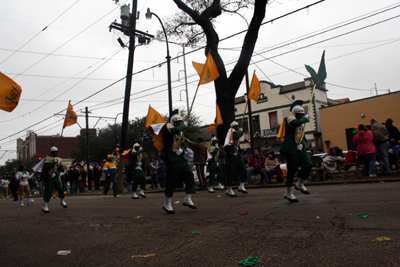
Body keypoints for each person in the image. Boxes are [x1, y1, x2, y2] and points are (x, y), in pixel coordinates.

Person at [160, 113, 196, 214]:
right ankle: (167, 203)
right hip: (172, 158)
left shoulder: (181, 132)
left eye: (180, 122)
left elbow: (181, 144)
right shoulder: (169, 128)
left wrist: (182, 150)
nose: (179, 123)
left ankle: (188, 198)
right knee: (171, 179)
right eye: (177, 122)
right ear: (173, 122)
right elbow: (173, 131)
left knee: (189, 175)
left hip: (180, 157)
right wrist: (183, 126)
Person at [278, 100, 313, 203]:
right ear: (295, 113)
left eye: (302, 114)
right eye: (299, 114)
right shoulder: (289, 119)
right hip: (291, 148)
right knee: (291, 170)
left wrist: (303, 144)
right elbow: (294, 123)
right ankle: (288, 192)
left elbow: (303, 136)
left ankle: (300, 183)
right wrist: (303, 119)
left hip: (300, 148)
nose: (301, 116)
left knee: (308, 164)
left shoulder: (300, 123)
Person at [224, 121, 248, 197]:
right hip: (231, 156)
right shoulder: (232, 132)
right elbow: (236, 136)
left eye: (238, 126)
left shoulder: (234, 132)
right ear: (233, 127)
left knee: (243, 169)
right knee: (231, 172)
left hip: (237, 155)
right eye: (236, 126)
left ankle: (241, 185)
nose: (238, 127)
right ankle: (229, 188)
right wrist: (241, 132)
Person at [41, 146, 67, 213]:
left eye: (56, 152)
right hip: (49, 176)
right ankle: (45, 205)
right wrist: (53, 163)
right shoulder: (48, 158)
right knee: (49, 191)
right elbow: (47, 167)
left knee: (60, 189)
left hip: (55, 176)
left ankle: (62, 200)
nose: (55, 153)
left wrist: (56, 173)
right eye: (53, 152)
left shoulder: (59, 159)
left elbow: (60, 168)